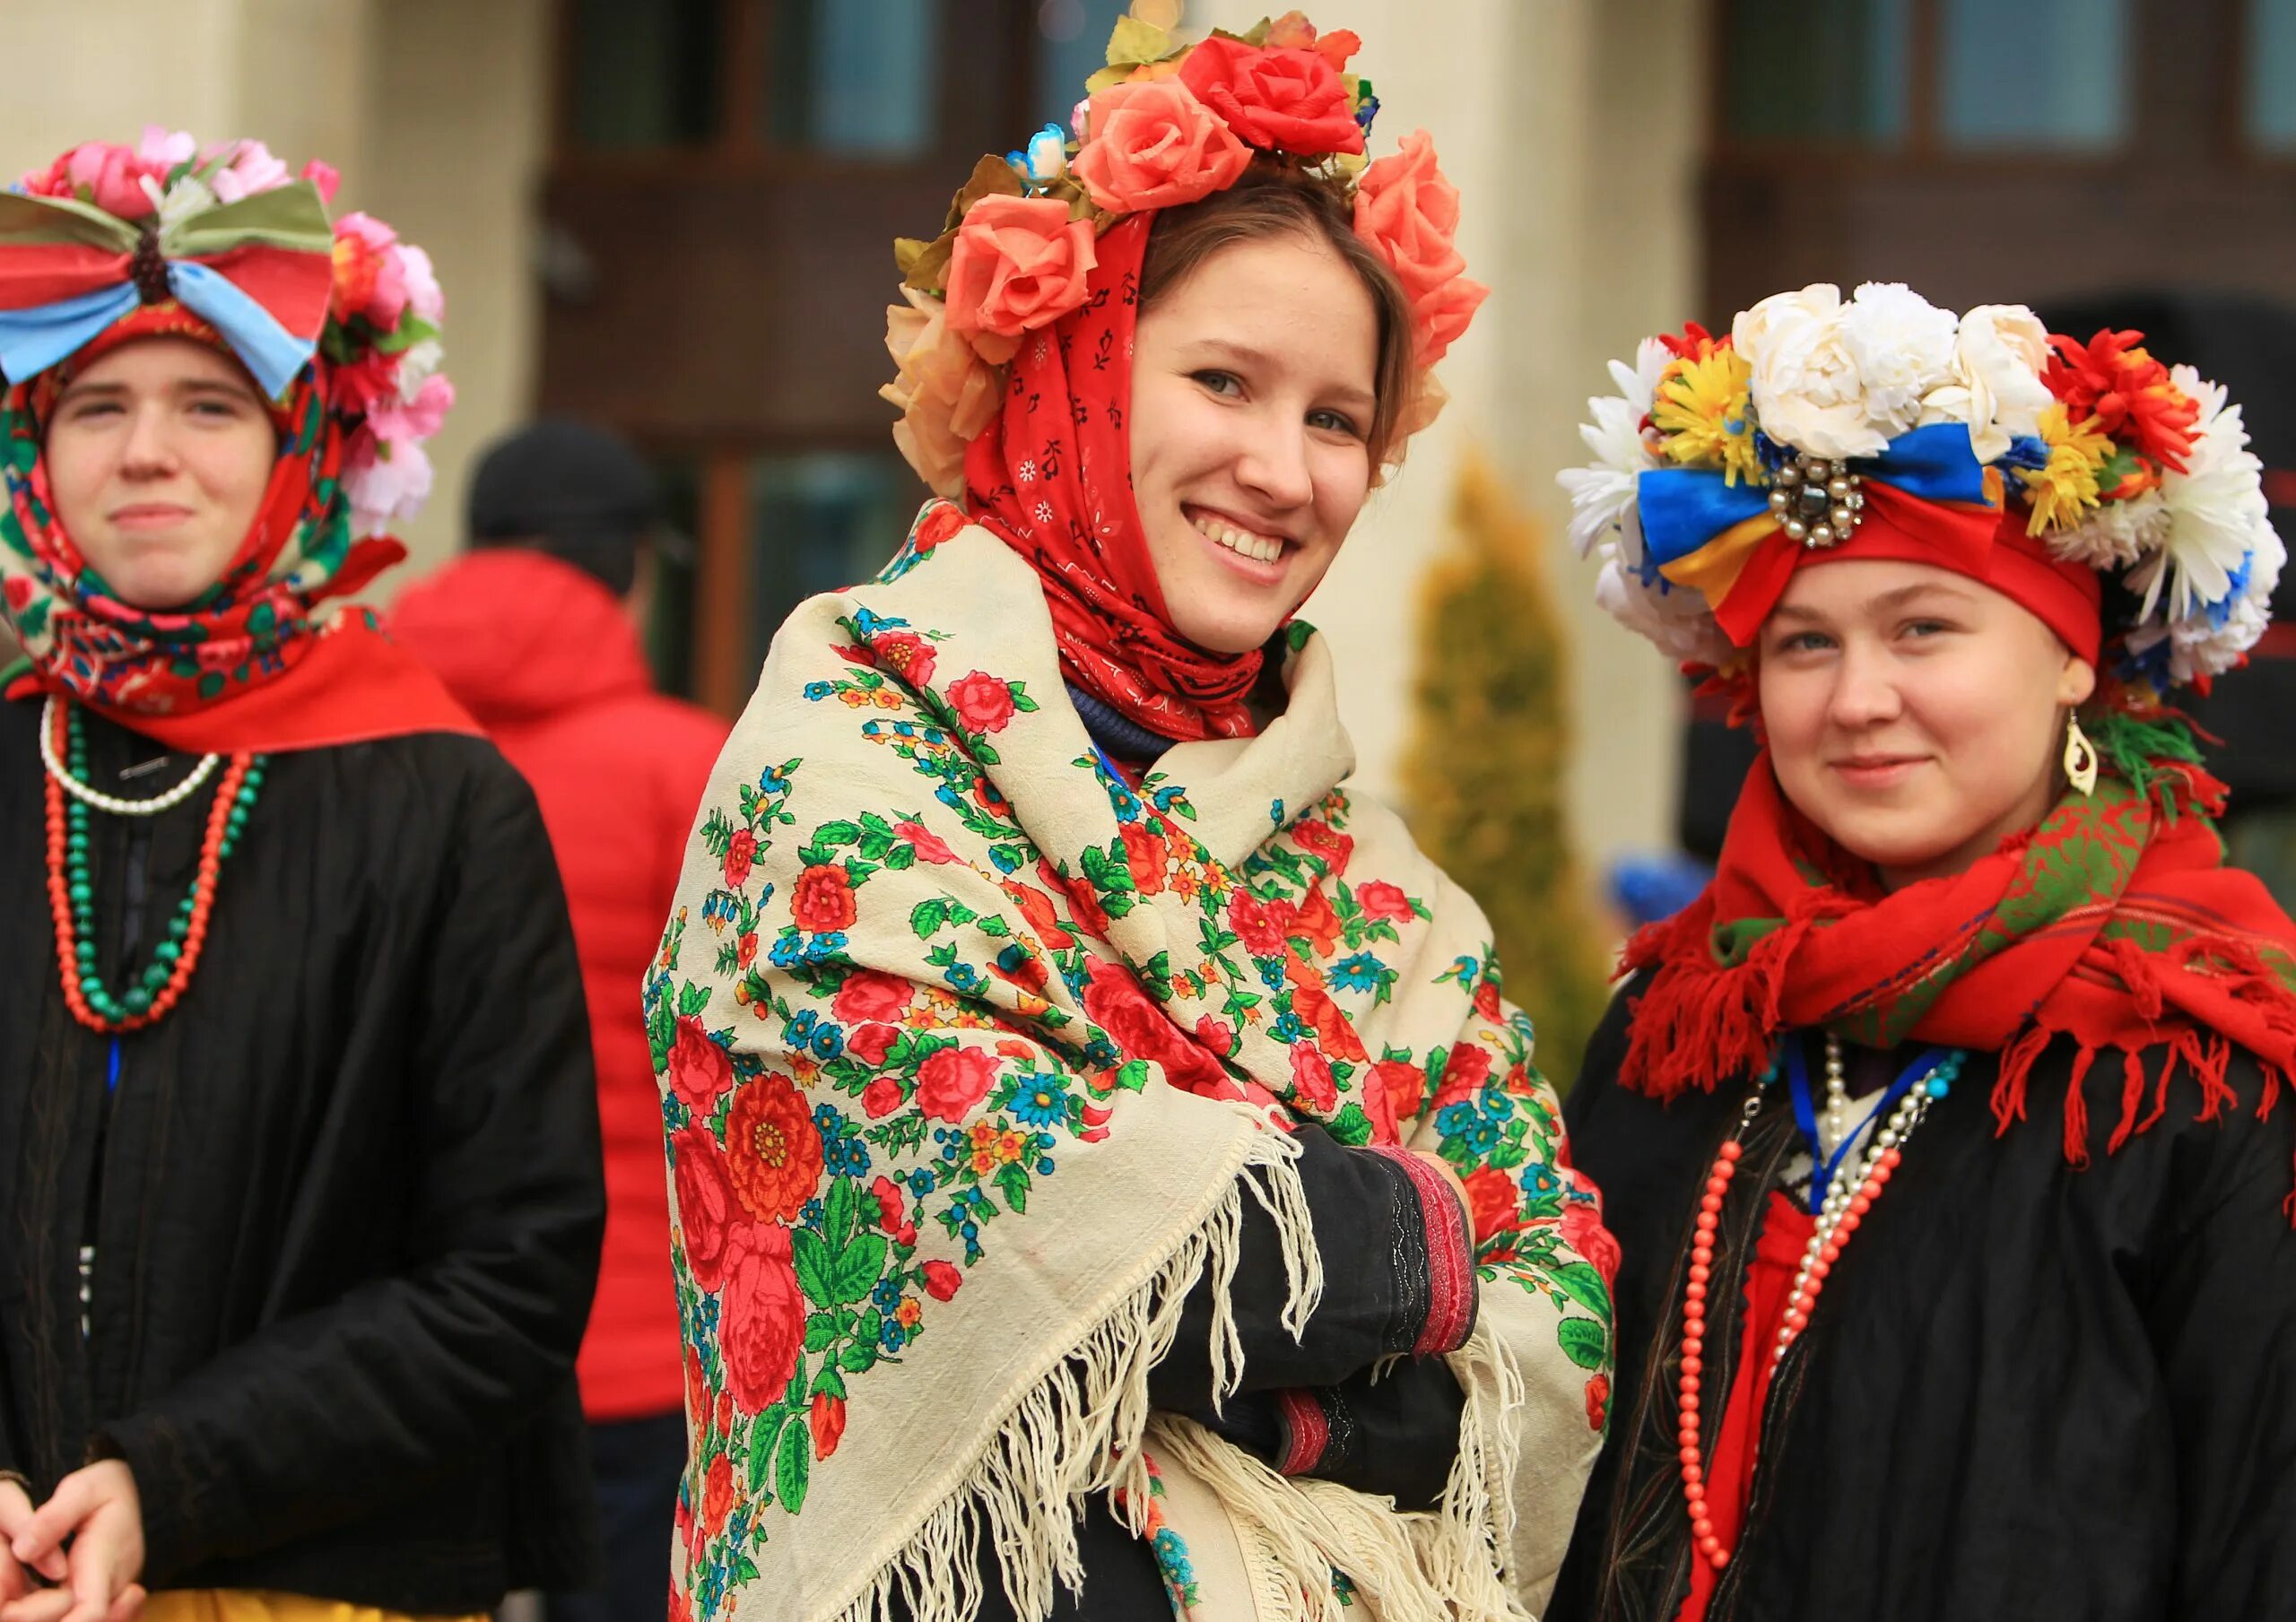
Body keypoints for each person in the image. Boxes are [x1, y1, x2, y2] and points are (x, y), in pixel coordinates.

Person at [654, 14, 1616, 1622]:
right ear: (1071, 376)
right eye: (1223, 379)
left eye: (1334, 417)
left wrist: (1277, 1367)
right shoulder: (848, 757)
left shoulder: (1381, 881)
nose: (1280, 466)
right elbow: (983, 1177)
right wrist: (1400, 1241)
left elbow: (1560, 1289)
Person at [1549, 284, 2296, 1619]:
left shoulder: (2203, 1075)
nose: (1857, 700)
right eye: (1804, 643)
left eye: (1923, 628)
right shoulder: (1681, 1020)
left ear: (2072, 657)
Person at [0, 133, 604, 1622]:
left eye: (210, 404)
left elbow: (514, 1272)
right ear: (35, 450)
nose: (146, 453)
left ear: (302, 451)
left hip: (334, 1589)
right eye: (96, 406)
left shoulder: (445, 797)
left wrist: (168, 1479)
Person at [392, 420, 727, 1622]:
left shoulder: (364, 751)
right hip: (632, 1327)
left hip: (400, 1324)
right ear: (632, 569)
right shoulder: (686, 769)